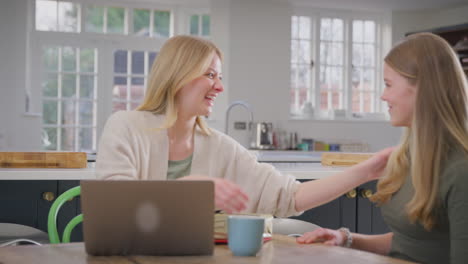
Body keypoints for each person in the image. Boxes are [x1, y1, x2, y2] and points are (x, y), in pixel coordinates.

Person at [96, 35, 392, 217]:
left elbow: (288, 196)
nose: (220, 87)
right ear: (177, 75)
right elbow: (111, 205)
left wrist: (364, 171)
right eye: (210, 75)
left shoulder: (219, 146)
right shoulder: (126, 126)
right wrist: (187, 191)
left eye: (220, 77)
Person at [297, 32, 468, 264]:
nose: (382, 96)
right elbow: (412, 242)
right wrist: (346, 238)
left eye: (388, 85)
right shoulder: (410, 156)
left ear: (423, 90)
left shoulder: (460, 171)